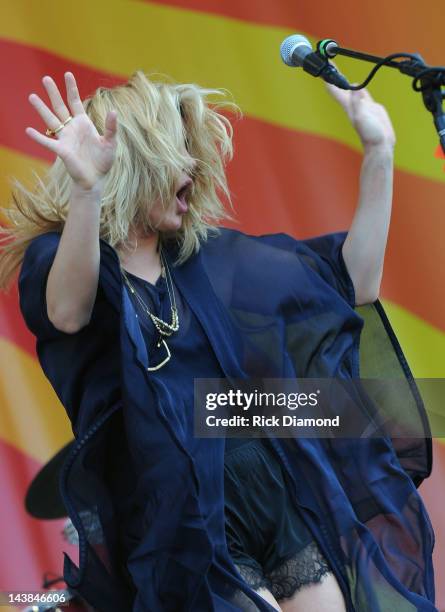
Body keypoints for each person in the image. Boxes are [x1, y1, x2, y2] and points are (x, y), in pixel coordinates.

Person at [0, 70, 436, 612]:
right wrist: (88, 190)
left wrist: (379, 150)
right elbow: (67, 312)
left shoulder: (208, 259)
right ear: (137, 161)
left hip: (269, 492)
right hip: (180, 518)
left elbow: (353, 281)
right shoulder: (65, 256)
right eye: (176, 152)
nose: (192, 168)